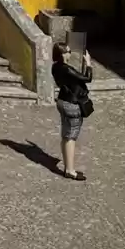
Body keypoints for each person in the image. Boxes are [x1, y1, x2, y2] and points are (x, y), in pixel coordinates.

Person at [53, 42, 92, 180]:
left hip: (62, 102)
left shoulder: (55, 67)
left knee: (65, 135)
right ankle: (70, 170)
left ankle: (67, 166)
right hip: (72, 105)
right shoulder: (67, 69)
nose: (70, 53)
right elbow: (87, 78)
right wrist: (88, 63)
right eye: (68, 51)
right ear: (63, 54)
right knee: (71, 137)